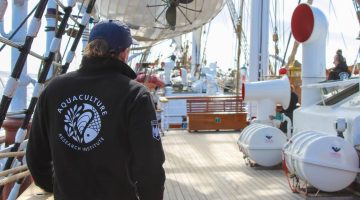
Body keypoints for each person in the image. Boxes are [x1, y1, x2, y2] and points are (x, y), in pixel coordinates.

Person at [26, 20, 166, 200]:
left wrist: (54, 186)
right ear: (124, 52)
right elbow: (149, 166)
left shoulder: (53, 89)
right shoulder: (135, 94)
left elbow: (36, 156)